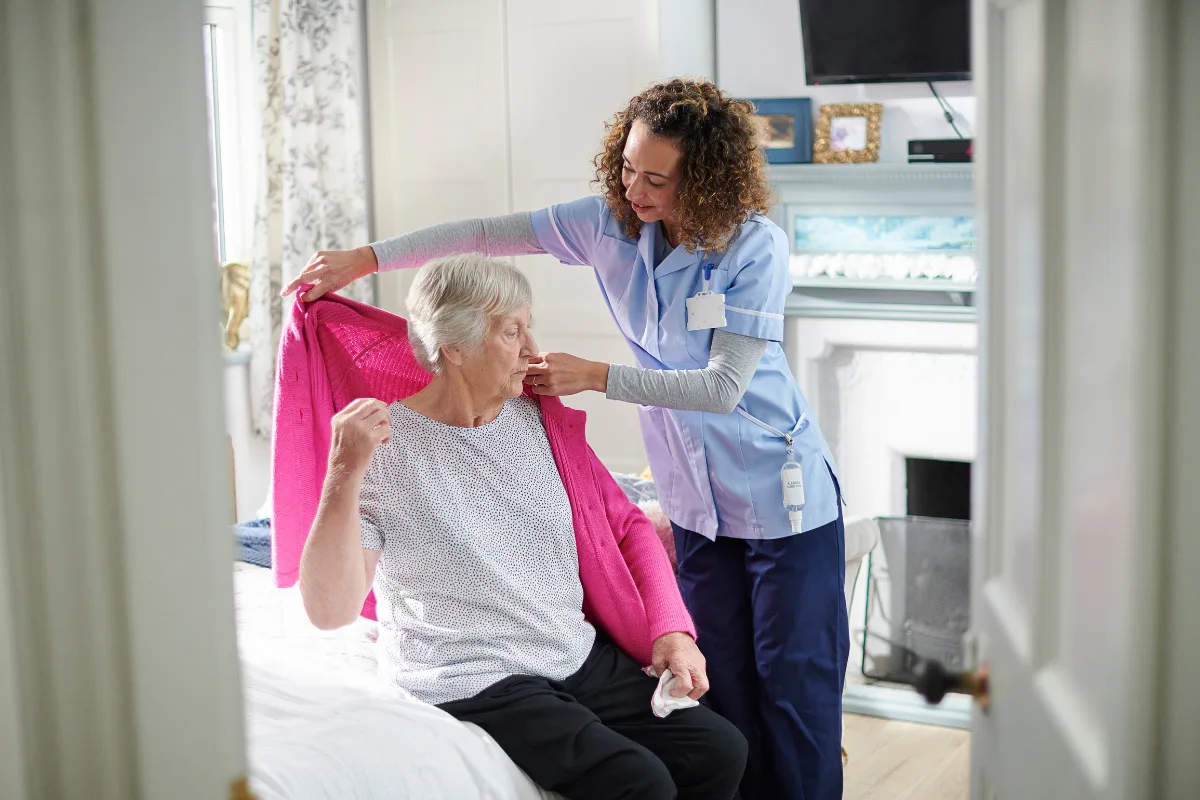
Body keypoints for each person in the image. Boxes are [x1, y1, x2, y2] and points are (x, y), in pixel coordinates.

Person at [285, 79, 848, 800]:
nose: (634, 190)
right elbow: (484, 234)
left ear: (702, 179)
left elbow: (722, 388)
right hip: (693, 497)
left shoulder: (752, 246)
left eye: (656, 179)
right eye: (627, 168)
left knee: (795, 692)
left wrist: (596, 376)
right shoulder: (608, 225)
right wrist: (368, 257)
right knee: (727, 691)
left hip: (778, 490)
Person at [298, 254, 747, 800]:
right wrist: (343, 469)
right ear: (454, 345)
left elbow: (625, 524)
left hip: (566, 649)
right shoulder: (384, 451)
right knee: (640, 783)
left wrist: (672, 630)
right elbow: (329, 610)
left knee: (720, 750)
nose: (533, 350)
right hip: (471, 670)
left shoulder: (540, 420)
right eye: (512, 331)